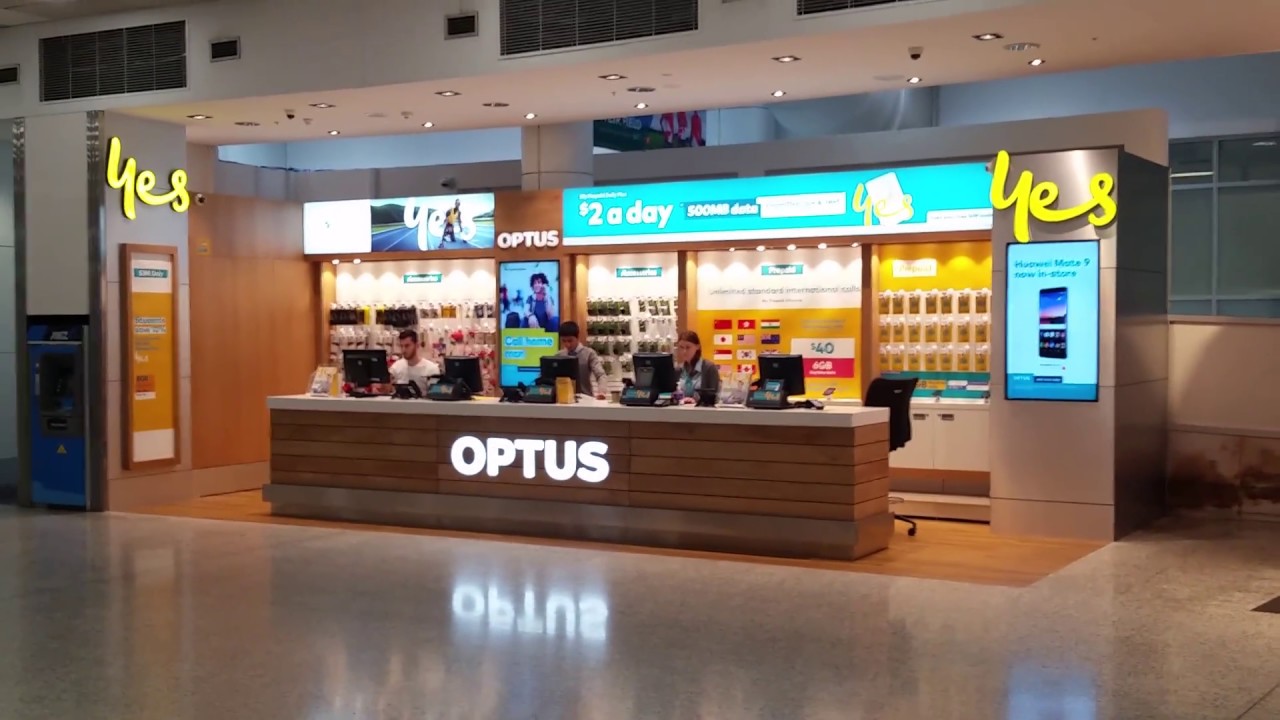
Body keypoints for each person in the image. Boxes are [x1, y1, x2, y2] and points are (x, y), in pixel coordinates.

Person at [557, 321, 607, 400]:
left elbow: (601, 375)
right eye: (564, 341)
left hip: (585, 400)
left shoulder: (589, 353)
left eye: (570, 341)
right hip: (562, 400)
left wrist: (601, 391)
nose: (567, 344)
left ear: (577, 338)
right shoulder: (559, 355)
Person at [388, 329, 440, 395]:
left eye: (407, 346)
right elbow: (386, 389)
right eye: (401, 346)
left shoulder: (431, 369)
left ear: (417, 345)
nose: (403, 350)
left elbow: (435, 395)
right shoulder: (396, 366)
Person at [676, 331, 721, 402]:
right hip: (681, 407)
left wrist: (695, 400)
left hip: (702, 408)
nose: (684, 351)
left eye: (688, 347)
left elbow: (714, 396)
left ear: (697, 347)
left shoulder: (709, 368)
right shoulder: (679, 369)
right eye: (681, 347)